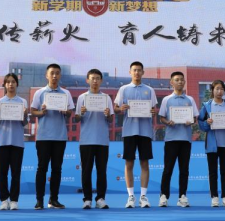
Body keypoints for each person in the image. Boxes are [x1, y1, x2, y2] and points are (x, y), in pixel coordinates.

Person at [30, 64, 74, 209]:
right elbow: (33, 111)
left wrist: (65, 111)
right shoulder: (40, 93)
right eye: (52, 73)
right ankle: (39, 200)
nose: (54, 76)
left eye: (57, 73)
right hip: (43, 136)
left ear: (60, 75)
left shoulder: (66, 93)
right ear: (47, 75)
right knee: (42, 168)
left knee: (57, 169)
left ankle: (53, 199)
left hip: (59, 136)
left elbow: (70, 113)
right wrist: (41, 112)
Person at [114, 61, 157, 209]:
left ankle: (143, 197)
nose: (137, 72)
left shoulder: (150, 90)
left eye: (139, 70)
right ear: (130, 72)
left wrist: (152, 112)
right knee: (129, 163)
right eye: (134, 70)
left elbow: (153, 109)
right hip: (129, 131)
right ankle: (131, 196)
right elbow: (116, 108)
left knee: (144, 163)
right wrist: (121, 108)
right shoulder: (123, 89)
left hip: (145, 131)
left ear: (143, 72)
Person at [158, 71, 199, 208]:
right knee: (168, 169)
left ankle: (182, 196)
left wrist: (191, 121)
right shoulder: (166, 99)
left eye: (182, 79)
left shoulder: (190, 99)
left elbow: (195, 118)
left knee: (184, 170)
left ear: (184, 82)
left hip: (185, 139)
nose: (180, 82)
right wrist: (168, 122)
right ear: (171, 82)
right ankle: (164, 196)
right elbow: (162, 117)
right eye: (177, 80)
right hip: (171, 139)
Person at [74, 69, 114, 209]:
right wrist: (81, 113)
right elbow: (77, 118)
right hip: (86, 140)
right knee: (86, 171)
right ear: (87, 80)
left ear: (101, 80)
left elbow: (111, 119)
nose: (95, 81)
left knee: (101, 171)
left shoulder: (106, 98)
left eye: (97, 78)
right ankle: (87, 199)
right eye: (92, 78)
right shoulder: (82, 97)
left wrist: (108, 114)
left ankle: (100, 198)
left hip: (102, 140)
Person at [198, 80, 225, 207]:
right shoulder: (206, 106)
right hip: (212, 145)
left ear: (224, 91)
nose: (219, 91)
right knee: (213, 172)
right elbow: (201, 124)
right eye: (217, 89)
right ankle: (214, 197)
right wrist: (207, 123)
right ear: (212, 90)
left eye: (221, 89)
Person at [0, 73, 29, 211]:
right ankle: (4, 200)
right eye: (8, 82)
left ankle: (14, 200)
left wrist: (24, 115)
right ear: (5, 85)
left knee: (16, 173)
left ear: (16, 84)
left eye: (13, 82)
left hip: (17, 142)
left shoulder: (23, 102)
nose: (11, 84)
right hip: (2, 141)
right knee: (2, 173)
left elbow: (24, 123)